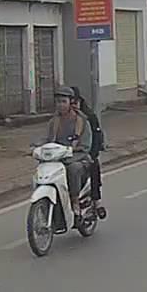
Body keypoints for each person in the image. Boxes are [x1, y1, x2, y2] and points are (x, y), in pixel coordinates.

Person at [41, 87, 94, 217]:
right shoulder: (54, 121)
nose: (60, 105)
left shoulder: (82, 121)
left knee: (73, 168)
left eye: (63, 101)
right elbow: (46, 139)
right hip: (57, 158)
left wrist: (71, 152)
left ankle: (75, 200)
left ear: (71, 103)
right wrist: (35, 147)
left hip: (78, 158)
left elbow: (85, 146)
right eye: (58, 102)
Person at [70, 86, 107, 220]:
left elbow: (96, 137)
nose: (72, 106)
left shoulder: (88, 117)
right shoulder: (60, 118)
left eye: (74, 102)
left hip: (86, 152)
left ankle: (96, 201)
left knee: (93, 166)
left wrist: (92, 154)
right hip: (67, 153)